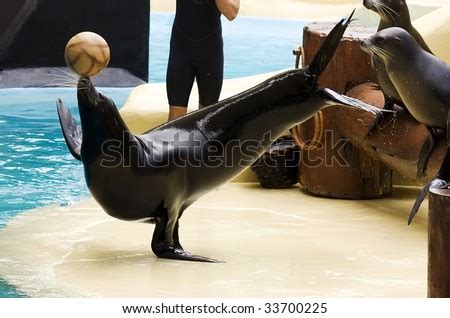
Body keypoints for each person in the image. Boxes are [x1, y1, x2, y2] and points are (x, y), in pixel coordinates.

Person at [166, 0, 240, 121]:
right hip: (181, 48)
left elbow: (231, 13)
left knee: (207, 116)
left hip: (210, 50)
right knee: (176, 115)